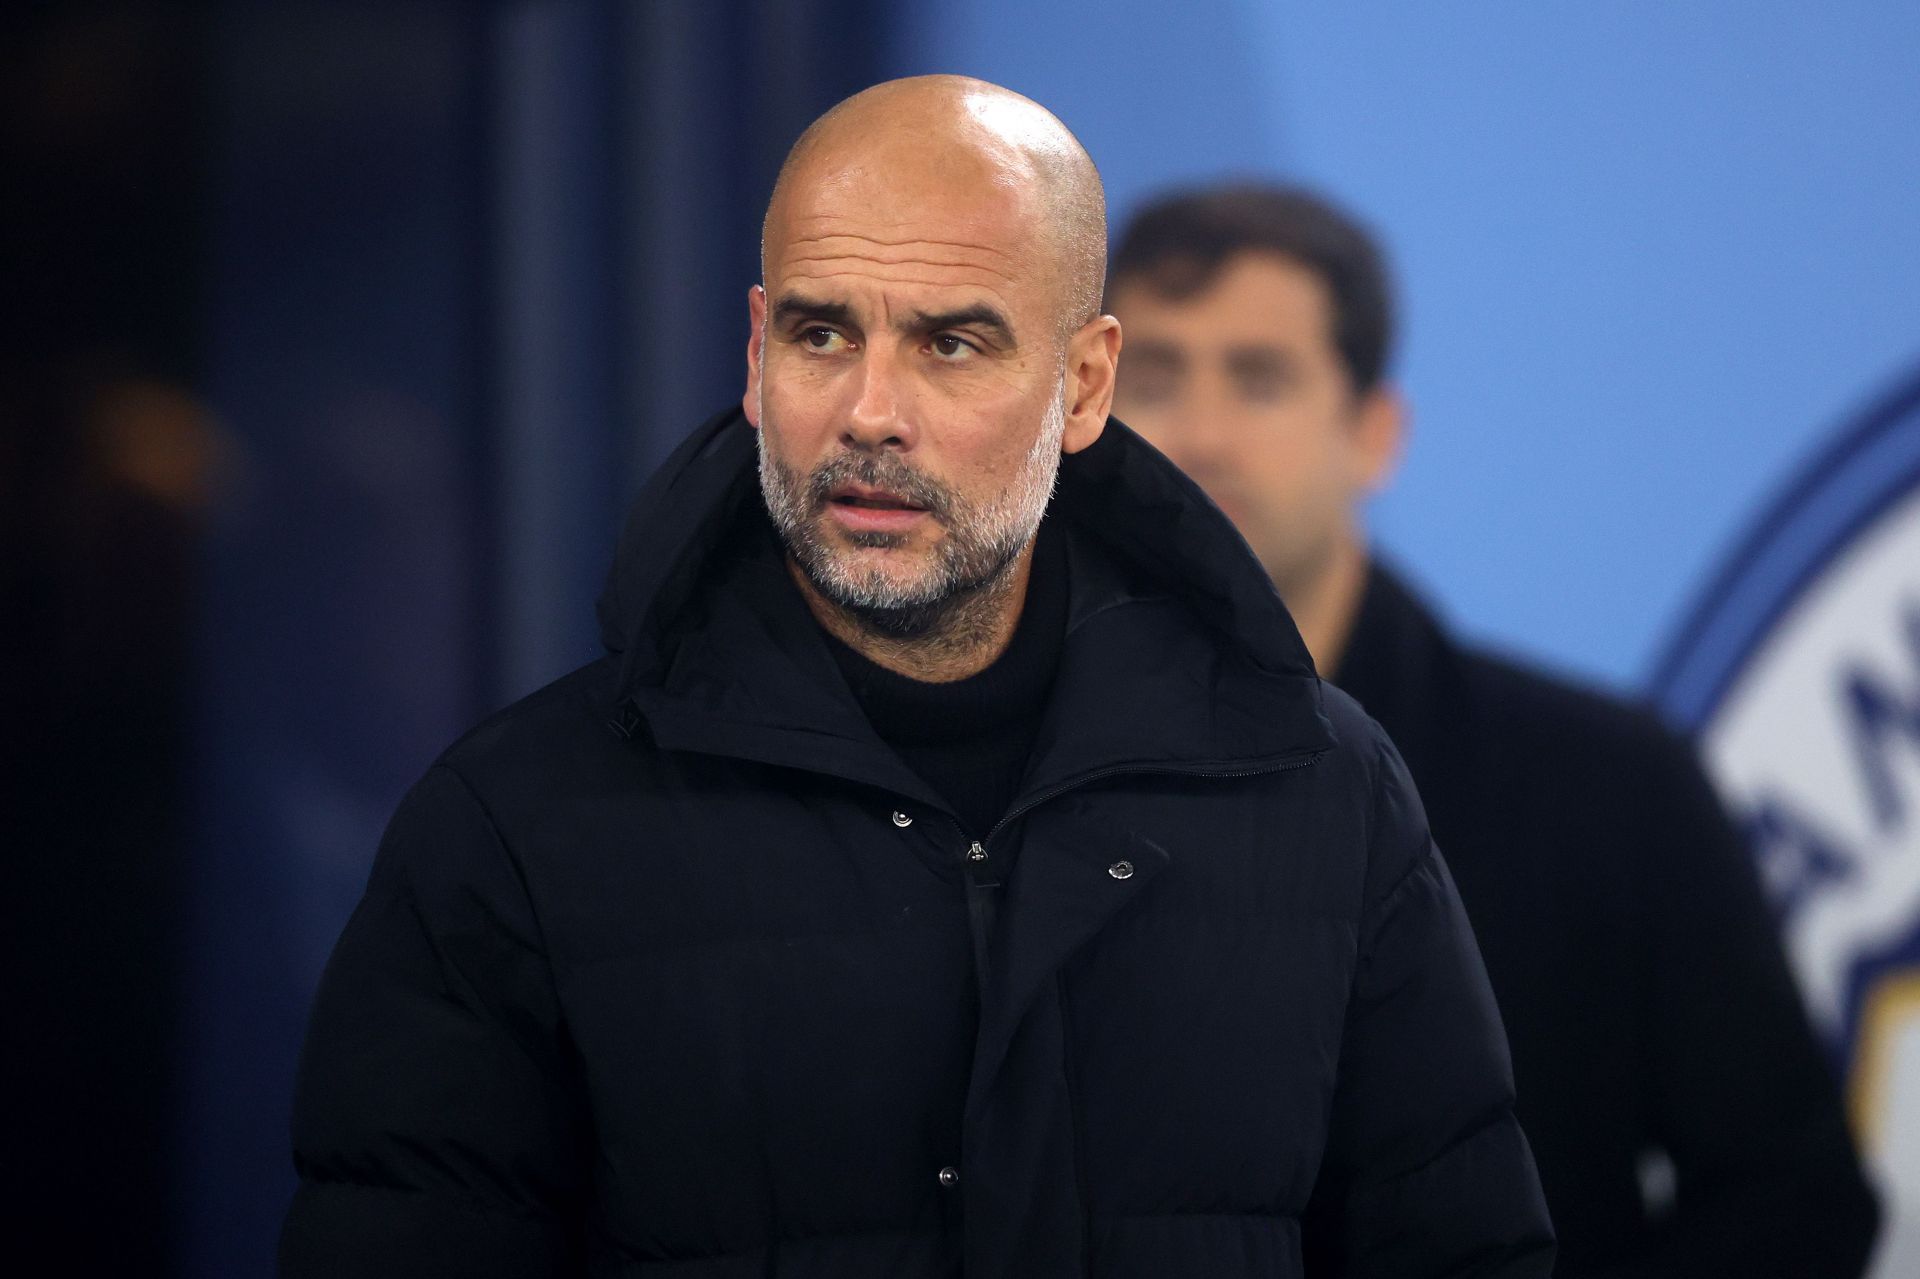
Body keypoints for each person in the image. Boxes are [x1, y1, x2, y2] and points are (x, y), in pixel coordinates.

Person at [281, 80, 1554, 1277]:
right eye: (822, 331)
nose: (870, 412)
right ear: (753, 353)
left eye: (952, 344)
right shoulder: (512, 829)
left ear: (1087, 384)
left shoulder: (1323, 792)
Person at [1105, 182, 1881, 1278]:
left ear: (1374, 434)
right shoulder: (1004, 781)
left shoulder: (1613, 787)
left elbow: (1793, 1204)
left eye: (1261, 378)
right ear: (1085, 414)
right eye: (1157, 377)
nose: (1202, 435)